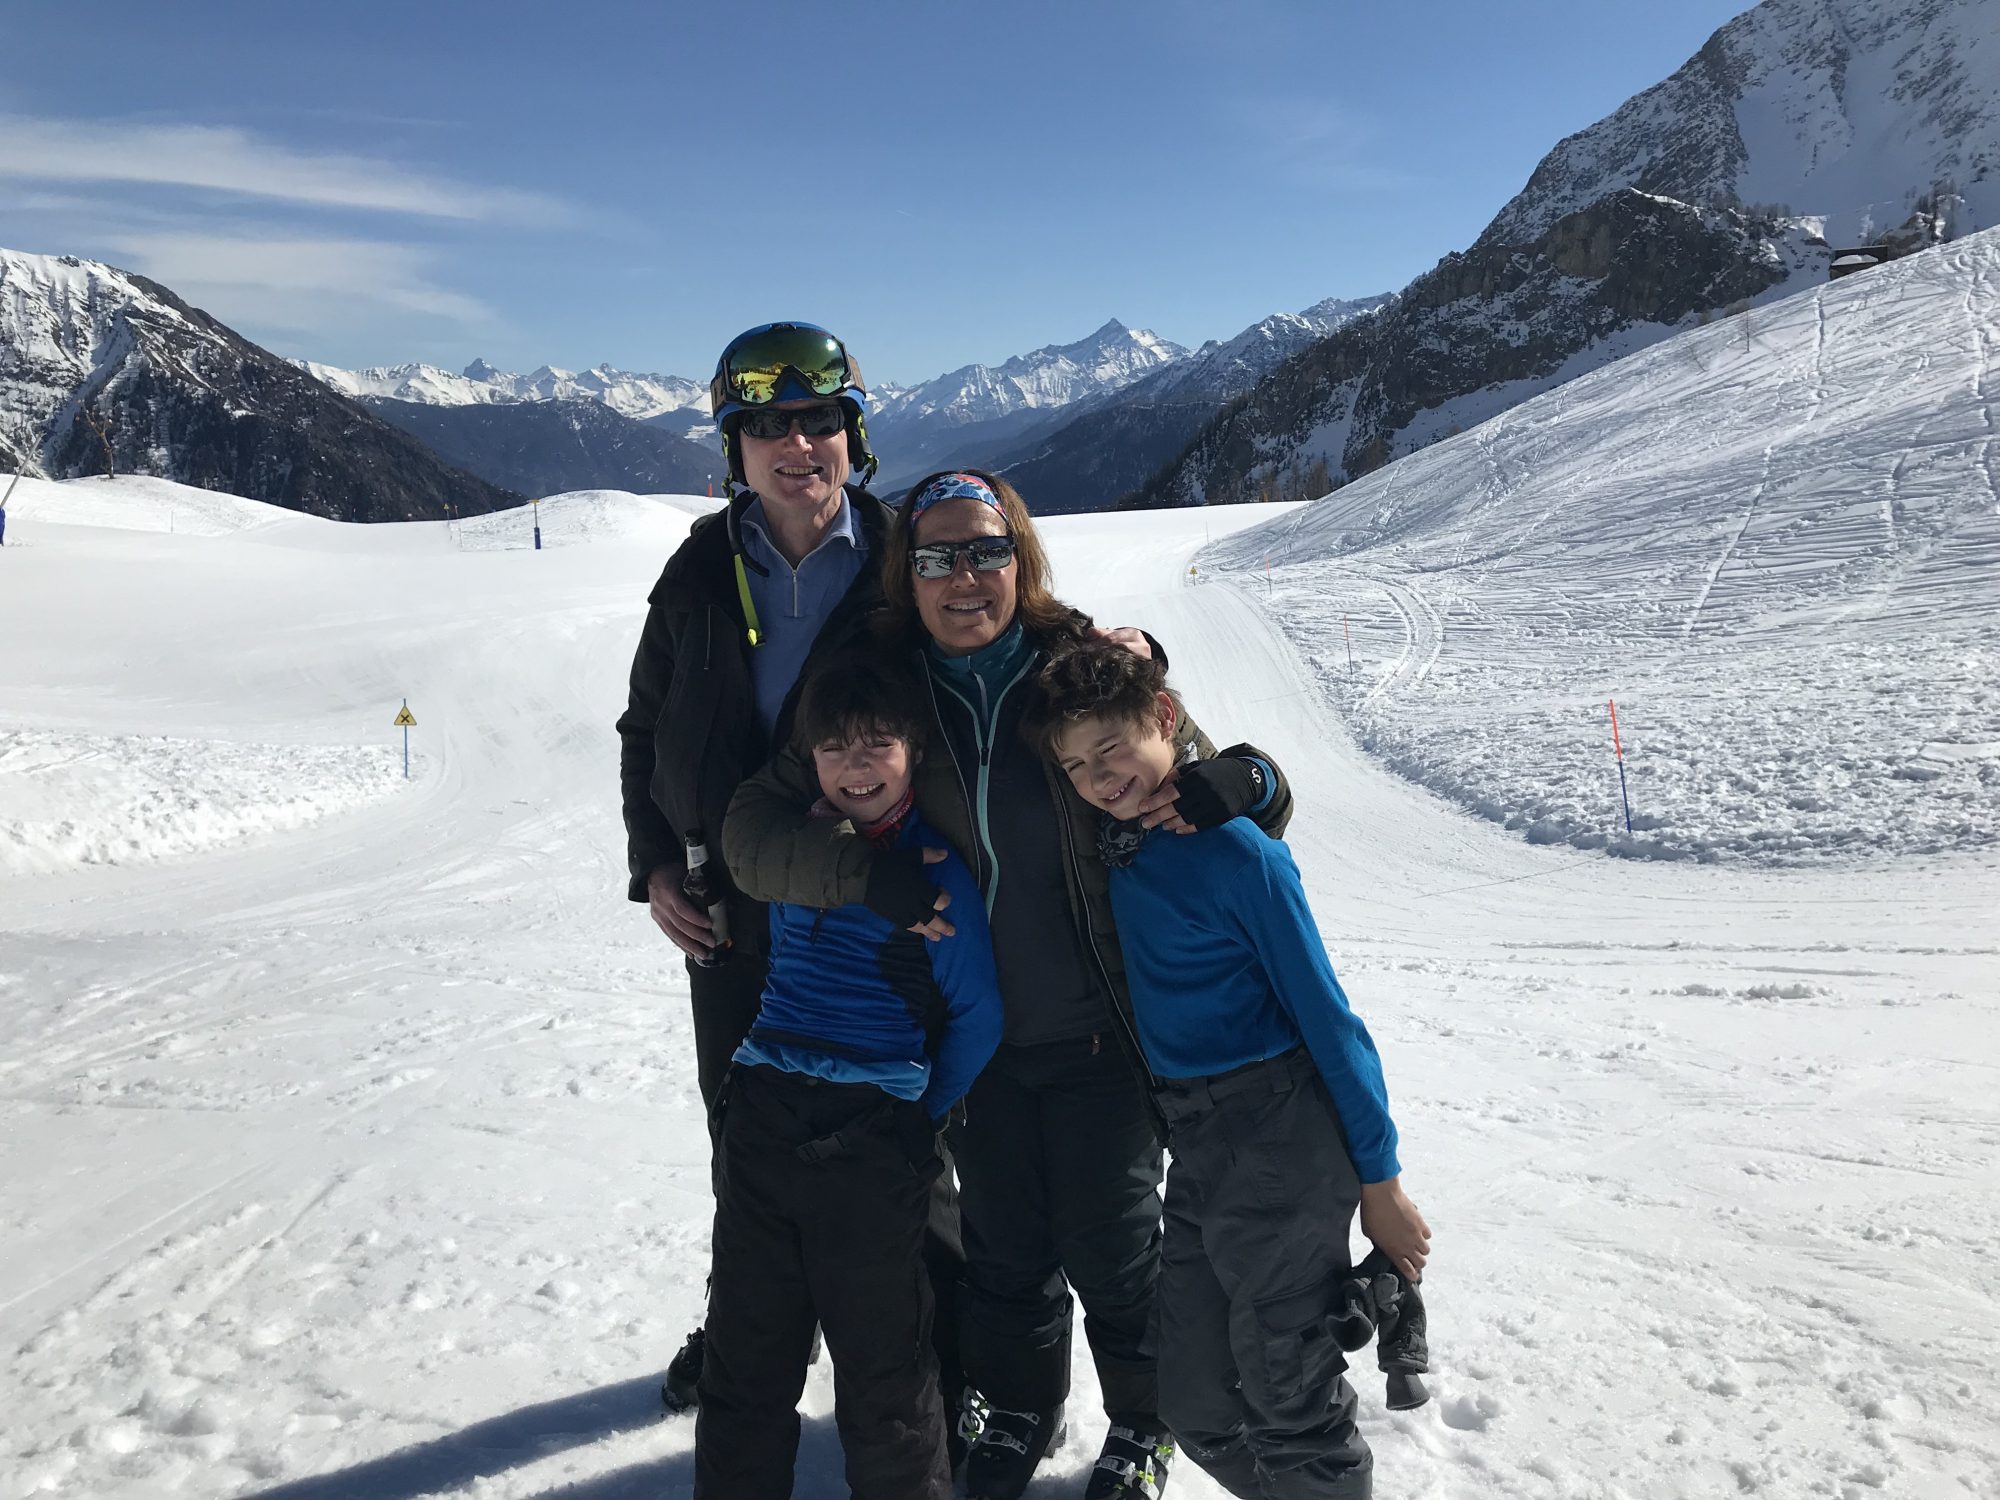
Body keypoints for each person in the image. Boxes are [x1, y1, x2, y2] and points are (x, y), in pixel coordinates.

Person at [723, 469, 1295, 1500]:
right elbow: (753, 836)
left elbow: (1212, 774)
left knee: (1116, 1249)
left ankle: (1142, 1421)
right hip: (969, 1043)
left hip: (1096, 1030)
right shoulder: (877, 686)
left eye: (984, 550)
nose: (961, 576)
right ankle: (1019, 1405)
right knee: (1003, 1256)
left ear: (1018, 561)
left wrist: (1245, 782)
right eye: (934, 554)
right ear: (908, 573)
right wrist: (860, 872)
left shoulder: (1077, 673)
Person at [615, 321, 972, 1415]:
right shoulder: (696, 565)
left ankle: (944, 1351)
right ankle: (747, 1326)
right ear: (734, 448)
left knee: (906, 1139)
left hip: (878, 907)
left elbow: (1012, 642)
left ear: (851, 436)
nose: (795, 444)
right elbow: (644, 727)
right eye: (765, 425)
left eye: (818, 420)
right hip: (727, 914)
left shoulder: (903, 561)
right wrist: (652, 866)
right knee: (745, 1132)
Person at [1030, 642, 1432, 1500]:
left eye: (1111, 749)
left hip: (1281, 1130)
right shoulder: (1121, 841)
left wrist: (1382, 1181)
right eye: (1075, 765)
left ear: (1166, 721)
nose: (1099, 777)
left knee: (1290, 1397)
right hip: (1199, 1144)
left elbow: (1332, 1021)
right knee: (1196, 1403)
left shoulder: (1242, 856)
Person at [696, 655, 1003, 1500]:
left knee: (886, 1376)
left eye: (877, 745)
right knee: (746, 1355)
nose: (856, 767)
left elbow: (979, 1016)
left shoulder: (935, 869)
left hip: (872, 1130)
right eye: (835, 749)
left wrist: (919, 1110)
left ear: (913, 752)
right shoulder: (805, 841)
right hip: (764, 1114)